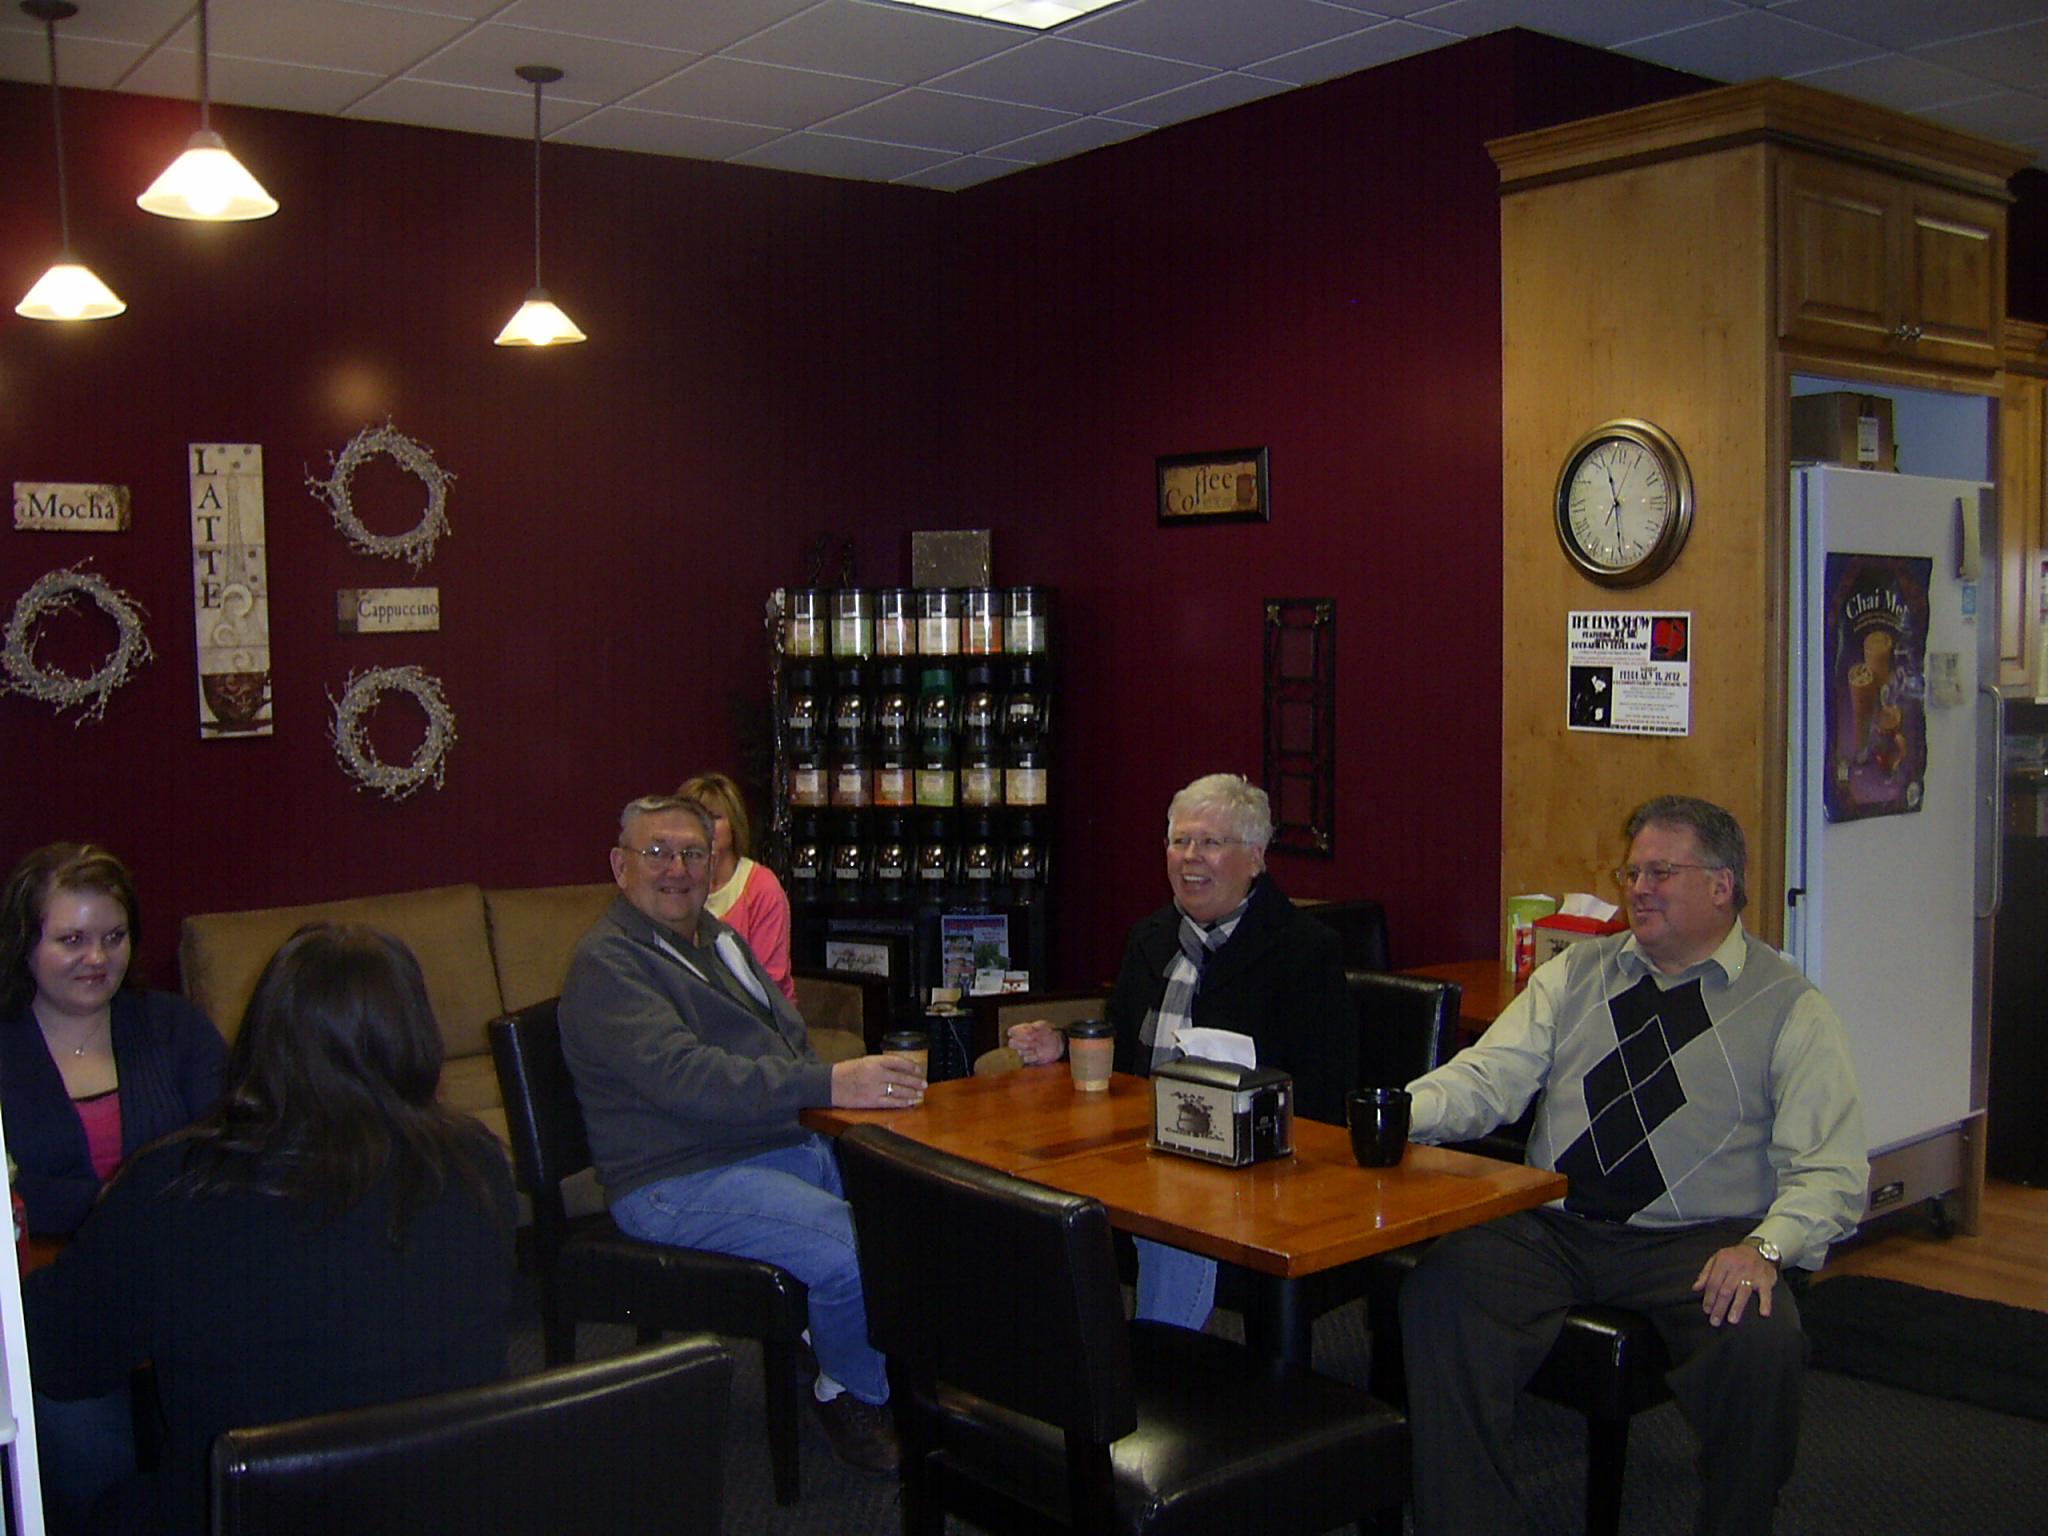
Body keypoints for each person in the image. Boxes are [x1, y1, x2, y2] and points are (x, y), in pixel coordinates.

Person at [1398, 795, 1868, 1536]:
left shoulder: (1790, 1006)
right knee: (1442, 1291)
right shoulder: (1574, 973)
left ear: (1721, 886)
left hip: (1699, 1242)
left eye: (1660, 872)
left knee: (1761, 1341)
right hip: (1554, 1224)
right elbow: (1490, 1079)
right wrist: (1402, 1109)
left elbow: (1832, 1171)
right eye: (1631, 871)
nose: (1638, 888)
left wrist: (1764, 1249)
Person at [25, 923, 516, 1536]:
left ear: (262, 1036)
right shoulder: (478, 1163)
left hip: (238, 1511)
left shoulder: (176, 1182)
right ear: (417, 1036)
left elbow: (53, 1355)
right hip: (438, 1503)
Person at [558, 794, 924, 1476]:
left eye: (693, 854)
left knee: (920, 1199)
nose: (677, 870)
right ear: (620, 866)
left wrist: (825, 1088)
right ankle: (851, 1391)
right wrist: (828, 1085)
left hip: (767, 1147)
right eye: (657, 853)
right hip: (675, 1179)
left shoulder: (715, 938)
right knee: (852, 1248)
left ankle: (880, 1355)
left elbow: (784, 1034)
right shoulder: (610, 964)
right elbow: (690, 1079)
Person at [1006, 773, 1353, 1329]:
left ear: (1256, 858)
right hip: (1135, 1140)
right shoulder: (1151, 937)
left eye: (1212, 843)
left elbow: (1320, 1091)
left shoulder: (1302, 951)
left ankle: (1157, 1376)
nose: (1191, 858)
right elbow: (1121, 1043)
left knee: (1172, 1215)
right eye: (1180, 841)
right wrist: (1067, 1043)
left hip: (1241, 1163)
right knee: (1013, 1179)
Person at [0, 844, 227, 1535]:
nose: (96, 958)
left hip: (183, 1276)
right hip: (52, 1288)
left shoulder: (173, 1027)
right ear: (26, 946)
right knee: (88, 1464)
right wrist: (110, 1198)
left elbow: (226, 1147)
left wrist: (107, 1197)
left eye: (113, 937)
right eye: (71, 939)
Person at [678, 771, 798, 1006]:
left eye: (714, 817)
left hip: (760, 1015)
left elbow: (768, 981)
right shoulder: (674, 886)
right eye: (695, 818)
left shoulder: (762, 888)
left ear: (734, 824)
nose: (704, 828)